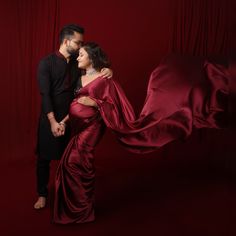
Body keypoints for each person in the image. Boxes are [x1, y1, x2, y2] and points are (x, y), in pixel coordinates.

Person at [53, 42, 231, 224]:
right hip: (76, 127)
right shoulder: (79, 77)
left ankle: (79, 212)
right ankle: (77, 210)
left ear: (92, 57)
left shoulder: (105, 79)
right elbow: (75, 103)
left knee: (75, 162)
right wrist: (62, 122)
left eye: (81, 55)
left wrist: (96, 103)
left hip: (92, 127)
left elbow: (114, 104)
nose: (78, 58)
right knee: (69, 163)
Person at [34, 24, 113, 210]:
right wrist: (53, 122)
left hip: (72, 120)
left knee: (70, 160)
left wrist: (109, 71)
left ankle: (68, 195)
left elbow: (95, 74)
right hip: (50, 118)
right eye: (78, 43)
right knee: (43, 159)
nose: (80, 47)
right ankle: (42, 195)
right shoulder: (46, 63)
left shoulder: (79, 64)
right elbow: (45, 95)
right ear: (66, 41)